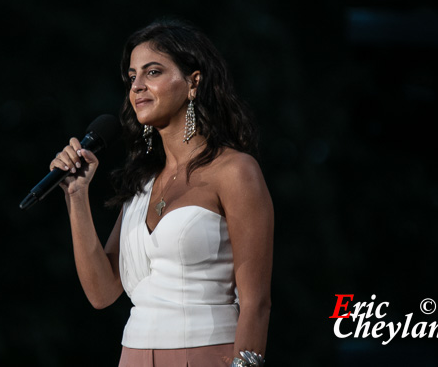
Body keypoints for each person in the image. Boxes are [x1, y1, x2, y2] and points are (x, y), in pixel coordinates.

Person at [50, 19, 273, 367]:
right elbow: (102, 293)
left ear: (193, 83)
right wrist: (76, 196)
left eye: (152, 72)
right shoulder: (142, 182)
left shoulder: (235, 171)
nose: (137, 86)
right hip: (133, 355)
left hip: (208, 354)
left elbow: (257, 301)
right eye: (132, 76)